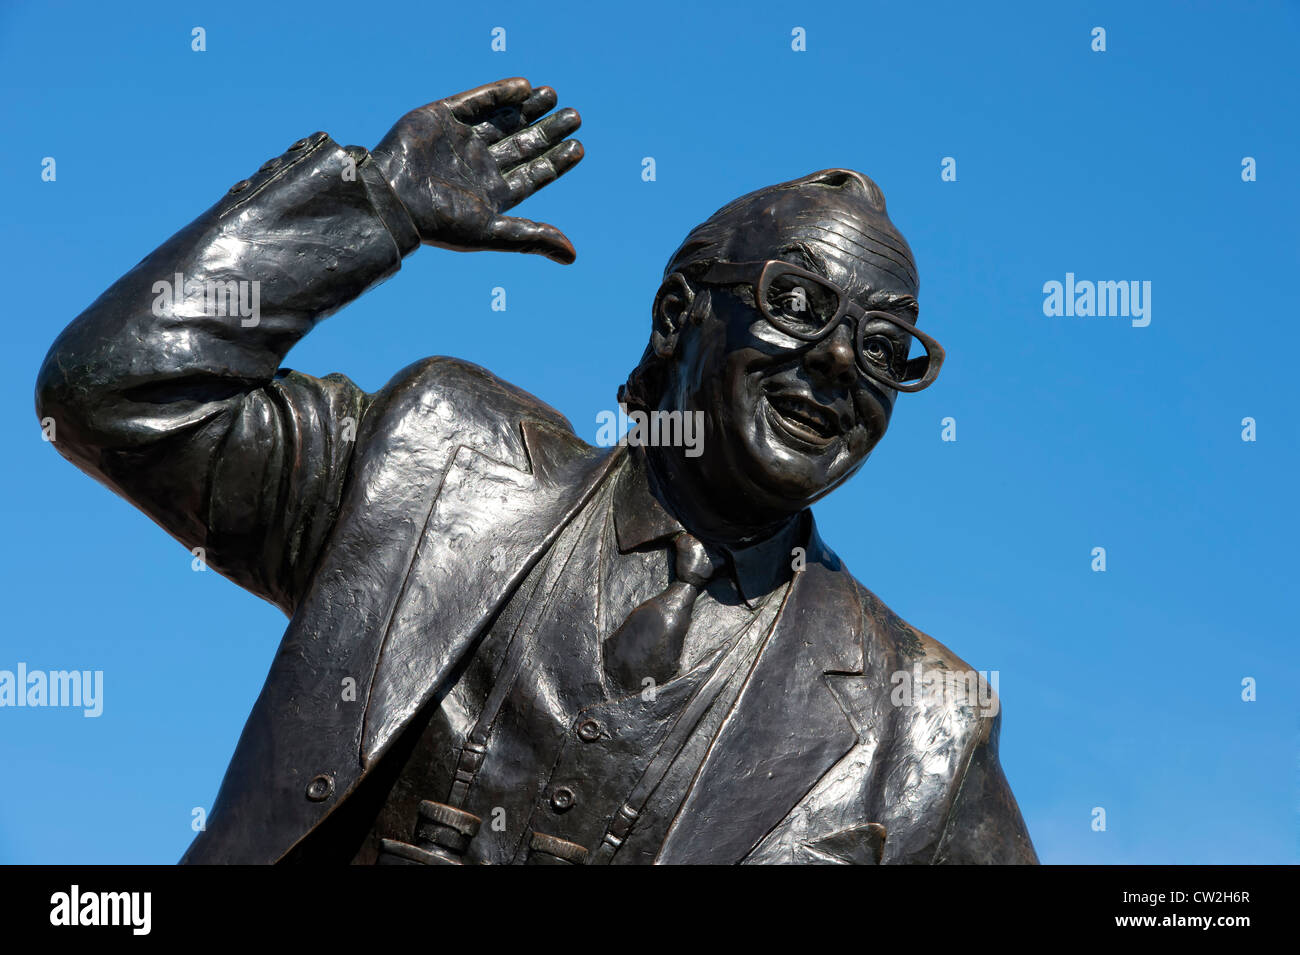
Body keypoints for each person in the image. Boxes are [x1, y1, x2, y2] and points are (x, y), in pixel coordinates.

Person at [36, 77, 1037, 865]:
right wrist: (369, 210)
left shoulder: (920, 727)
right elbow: (114, 392)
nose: (835, 363)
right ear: (678, 315)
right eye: (796, 301)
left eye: (884, 345)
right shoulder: (436, 461)